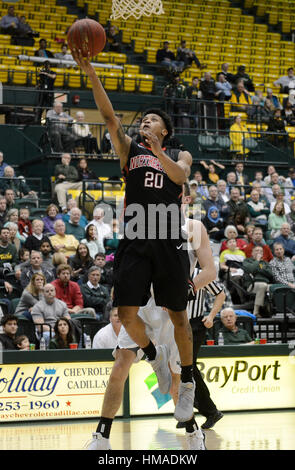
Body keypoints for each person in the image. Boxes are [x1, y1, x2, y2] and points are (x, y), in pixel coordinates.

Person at [73, 49, 200, 432]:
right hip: (135, 236)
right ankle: (155, 357)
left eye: (152, 120)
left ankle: (188, 379)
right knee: (126, 314)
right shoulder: (130, 151)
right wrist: (90, 71)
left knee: (178, 315)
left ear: (164, 130)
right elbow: (110, 117)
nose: (145, 122)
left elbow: (179, 177)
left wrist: (160, 152)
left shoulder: (178, 152)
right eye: (143, 120)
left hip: (167, 236)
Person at [85, 213, 216, 451]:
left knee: (175, 381)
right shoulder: (143, 224)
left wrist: (186, 290)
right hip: (142, 305)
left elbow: (210, 272)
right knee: (120, 365)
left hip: (172, 310)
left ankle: (193, 433)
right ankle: (101, 436)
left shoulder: (194, 227)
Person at [242, 246, 273, 317]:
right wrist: (257, 261)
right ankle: (256, 311)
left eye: (261, 251)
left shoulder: (265, 263)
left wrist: (259, 269)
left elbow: (270, 274)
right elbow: (251, 269)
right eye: (256, 250)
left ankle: (271, 309)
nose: (259, 252)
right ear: (252, 253)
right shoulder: (247, 261)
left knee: (274, 288)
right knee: (263, 286)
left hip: (265, 284)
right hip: (252, 285)